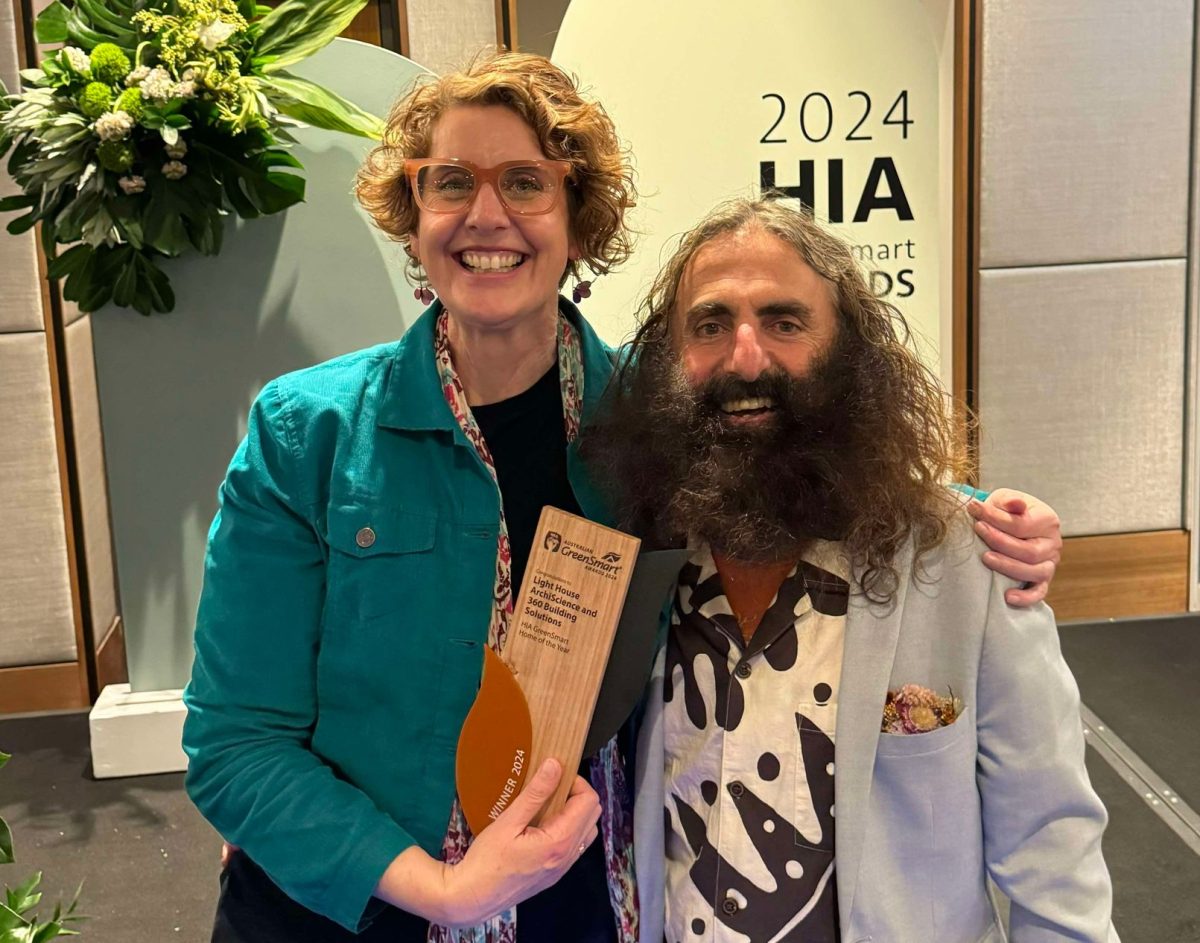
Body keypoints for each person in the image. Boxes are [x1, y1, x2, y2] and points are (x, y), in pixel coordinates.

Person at [181, 52, 1065, 942]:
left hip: (585, 908)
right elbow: (233, 745)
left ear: (577, 220)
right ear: (413, 220)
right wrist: (448, 890)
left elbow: (814, 448)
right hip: (352, 916)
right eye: (451, 182)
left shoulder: (649, 423)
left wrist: (991, 516)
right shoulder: (308, 433)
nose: (487, 214)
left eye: (525, 181)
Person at [583, 197, 1118, 942]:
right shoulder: (648, 555)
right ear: (670, 359)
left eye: (784, 321)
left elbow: (1052, 848)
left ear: (850, 348)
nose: (745, 356)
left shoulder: (969, 562)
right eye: (710, 324)